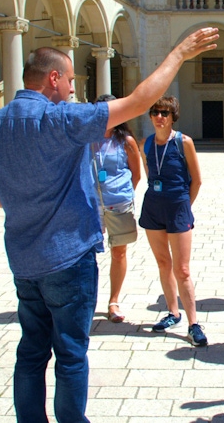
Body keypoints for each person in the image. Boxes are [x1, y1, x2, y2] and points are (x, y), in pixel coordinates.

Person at [0, 28, 218, 422]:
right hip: (68, 256)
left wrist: (31, 193)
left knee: (32, 350)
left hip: (23, 259)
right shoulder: (62, 119)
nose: (73, 89)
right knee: (70, 351)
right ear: (53, 79)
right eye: (71, 80)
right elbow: (140, 101)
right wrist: (179, 54)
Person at [139, 96, 207, 347]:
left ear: (173, 117)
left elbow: (197, 180)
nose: (159, 117)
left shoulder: (183, 142)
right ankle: (172, 313)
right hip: (154, 206)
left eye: (165, 113)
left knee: (183, 269)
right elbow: (149, 173)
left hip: (178, 206)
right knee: (162, 263)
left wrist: (184, 207)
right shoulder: (145, 144)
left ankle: (193, 323)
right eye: (155, 112)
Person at [92, 94, 141, 323]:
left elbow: (136, 174)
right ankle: (87, 299)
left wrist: (121, 193)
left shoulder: (126, 141)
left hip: (117, 203)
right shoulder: (86, 139)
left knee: (118, 252)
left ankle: (114, 300)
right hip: (90, 205)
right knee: (86, 253)